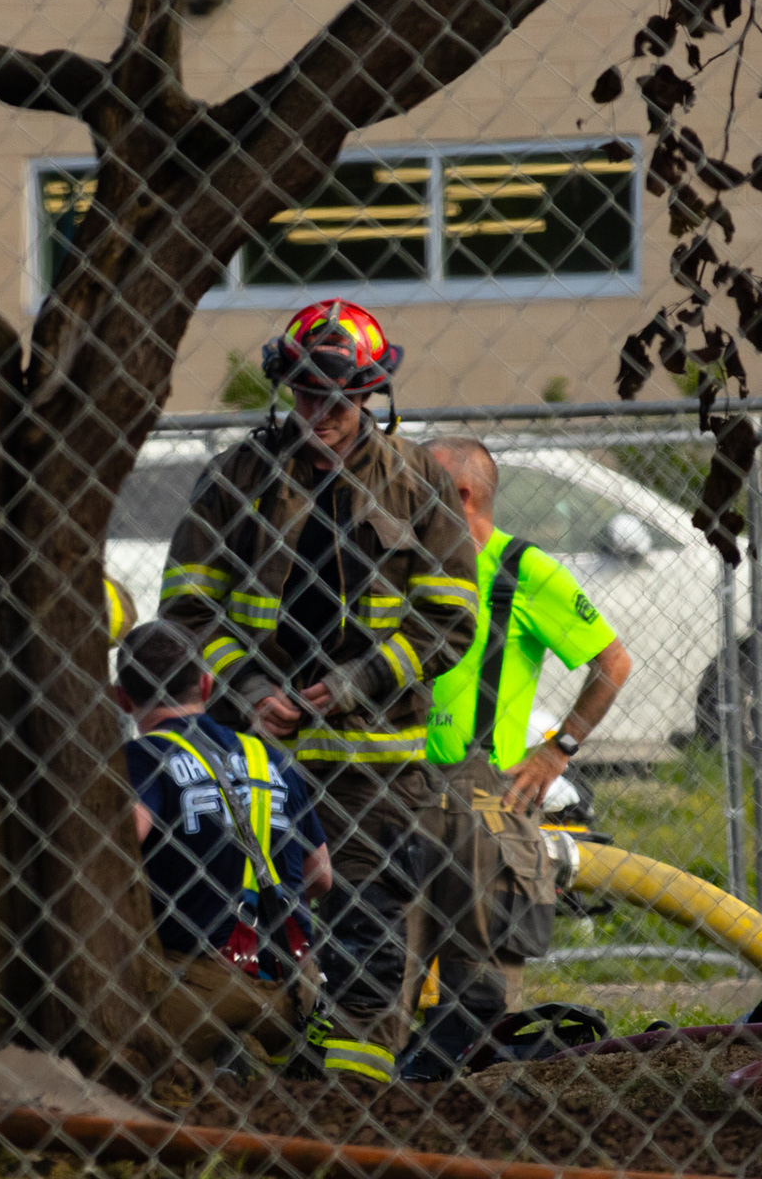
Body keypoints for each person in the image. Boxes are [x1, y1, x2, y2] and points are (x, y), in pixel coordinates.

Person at [160, 300, 479, 1084]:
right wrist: (251, 688)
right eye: (306, 395)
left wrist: (349, 686)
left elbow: (450, 622)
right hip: (257, 758)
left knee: (368, 930)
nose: (322, 414)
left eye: (339, 400)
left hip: (373, 765)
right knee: (250, 921)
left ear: (370, 396)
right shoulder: (239, 478)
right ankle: (264, 1072)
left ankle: (357, 1096)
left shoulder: (416, 485)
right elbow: (186, 605)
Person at [403, 437, 633, 1080]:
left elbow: (613, 663)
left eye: (416, 488)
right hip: (394, 783)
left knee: (476, 976)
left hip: (483, 795)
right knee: (383, 958)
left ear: (461, 496)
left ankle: (467, 1091)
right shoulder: (401, 568)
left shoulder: (521, 572)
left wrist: (556, 752)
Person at [114, 622, 330, 1066]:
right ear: (207, 685)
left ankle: (219, 1057)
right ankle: (256, 1052)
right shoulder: (269, 756)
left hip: (197, 988)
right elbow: (321, 877)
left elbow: (120, 846)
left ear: (121, 698)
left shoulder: (144, 757)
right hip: (293, 986)